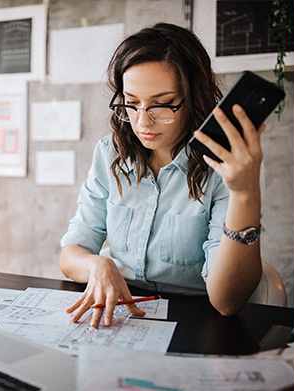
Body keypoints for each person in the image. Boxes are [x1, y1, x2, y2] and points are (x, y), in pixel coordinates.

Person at [59, 23, 265, 328]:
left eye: (162, 105)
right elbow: (71, 253)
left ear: (193, 97)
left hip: (196, 321)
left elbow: (227, 302)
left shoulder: (225, 167)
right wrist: (97, 264)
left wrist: (245, 193)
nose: (142, 121)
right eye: (132, 103)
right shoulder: (110, 154)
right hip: (123, 316)